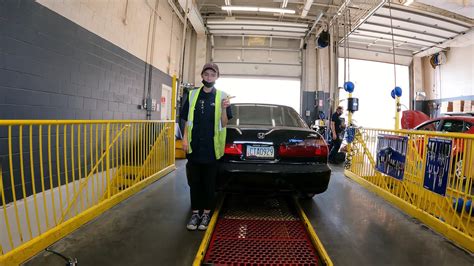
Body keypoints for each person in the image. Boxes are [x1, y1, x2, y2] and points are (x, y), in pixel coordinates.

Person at [180, 62, 232, 231]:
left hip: (212, 148)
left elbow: (224, 124)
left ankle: (206, 214)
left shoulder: (222, 96)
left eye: (212, 75)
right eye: (206, 74)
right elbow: (187, 120)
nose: (209, 78)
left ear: (217, 77)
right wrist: (185, 139)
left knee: (209, 183)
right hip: (194, 146)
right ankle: (195, 213)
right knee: (195, 182)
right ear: (202, 76)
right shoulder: (193, 94)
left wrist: (224, 109)